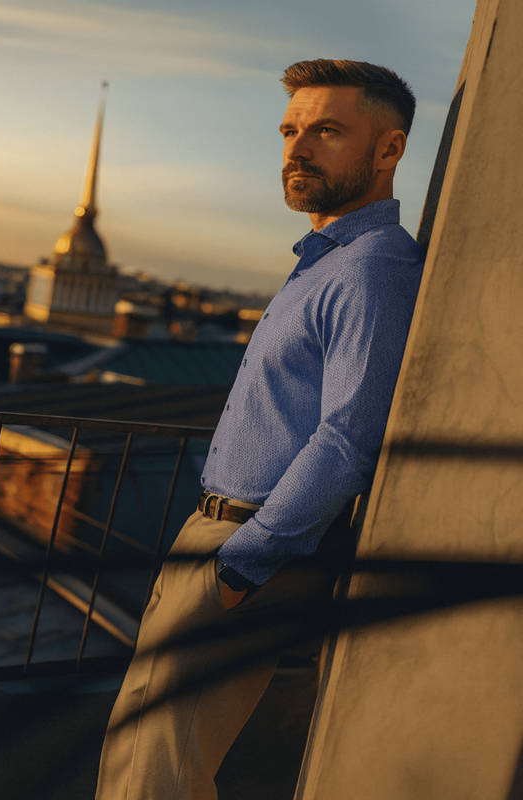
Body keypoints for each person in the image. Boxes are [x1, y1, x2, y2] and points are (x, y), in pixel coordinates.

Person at [95, 59, 425, 800]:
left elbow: (346, 440)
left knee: (156, 774)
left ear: (388, 150)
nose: (297, 149)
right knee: (143, 755)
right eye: (290, 130)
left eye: (327, 131)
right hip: (219, 535)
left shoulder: (371, 271)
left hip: (248, 547)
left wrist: (240, 567)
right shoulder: (323, 263)